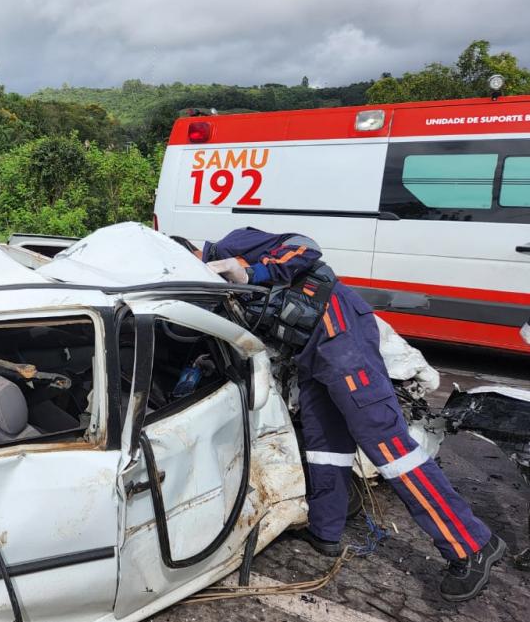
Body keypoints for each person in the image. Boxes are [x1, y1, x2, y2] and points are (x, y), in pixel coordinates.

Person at [202, 227, 504, 602]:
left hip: (339, 332)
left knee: (389, 447)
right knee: (324, 442)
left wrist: (249, 271)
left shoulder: (232, 245)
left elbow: (305, 246)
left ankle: (471, 544)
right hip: (309, 350)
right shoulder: (200, 287)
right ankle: (326, 529)